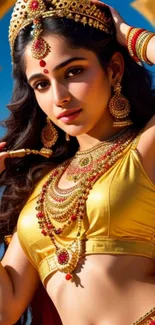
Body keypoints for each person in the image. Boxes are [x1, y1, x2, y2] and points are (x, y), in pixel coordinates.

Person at [0, 0, 155, 324]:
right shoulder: (40, 189)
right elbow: (6, 308)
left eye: (73, 71)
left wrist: (130, 36)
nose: (59, 97)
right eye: (41, 84)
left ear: (113, 69)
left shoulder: (144, 148)